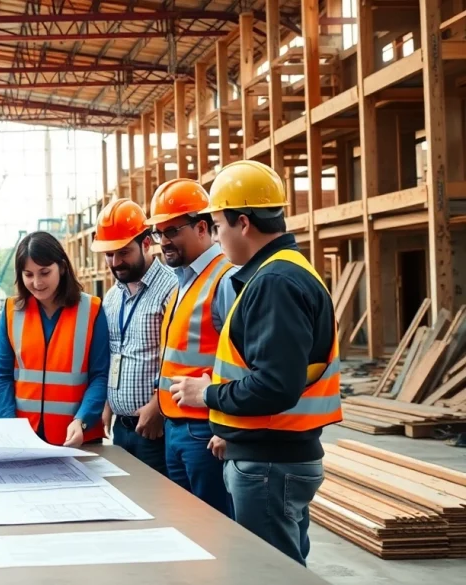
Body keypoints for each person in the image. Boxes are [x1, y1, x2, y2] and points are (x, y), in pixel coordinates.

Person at [169, 160, 343, 567]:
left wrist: (207, 394)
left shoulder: (274, 283)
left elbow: (274, 386)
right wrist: (236, 433)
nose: (216, 236)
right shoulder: (277, 274)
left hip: (271, 465)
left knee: (268, 573)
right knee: (283, 567)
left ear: (242, 222)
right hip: (271, 454)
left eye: (217, 226)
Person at [145, 178, 237, 518]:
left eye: (172, 231)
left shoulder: (224, 279)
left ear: (202, 227)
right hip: (177, 427)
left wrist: (229, 429)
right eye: (159, 233)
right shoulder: (184, 281)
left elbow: (241, 362)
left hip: (205, 430)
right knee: (187, 525)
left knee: (213, 526)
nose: (164, 241)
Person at [0, 231, 109, 446]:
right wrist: (9, 424)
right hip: (25, 437)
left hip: (78, 436)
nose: (37, 282)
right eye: (28, 274)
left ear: (62, 268)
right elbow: (1, 373)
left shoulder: (92, 310)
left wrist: (82, 420)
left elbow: (100, 376)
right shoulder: (11, 311)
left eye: (45, 272)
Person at [91, 199, 176, 475]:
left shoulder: (171, 288)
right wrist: (106, 405)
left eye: (124, 252)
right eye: (109, 255)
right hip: (121, 429)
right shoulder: (113, 297)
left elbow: (176, 356)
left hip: (155, 429)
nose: (116, 263)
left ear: (147, 244)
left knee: (160, 506)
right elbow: (113, 355)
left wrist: (158, 407)